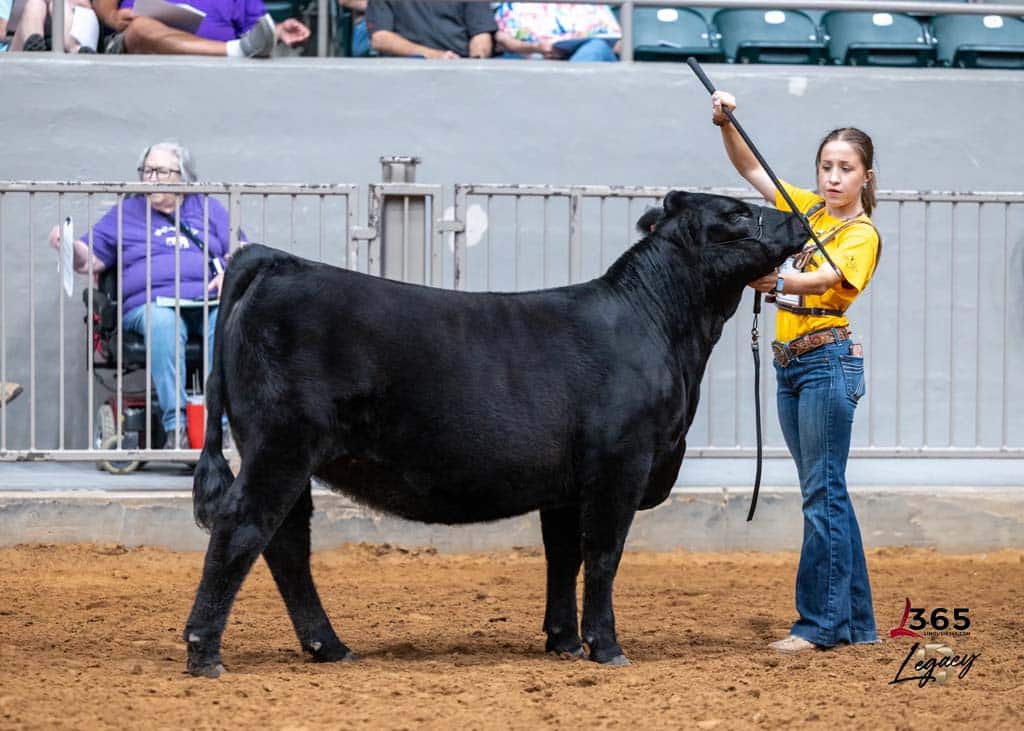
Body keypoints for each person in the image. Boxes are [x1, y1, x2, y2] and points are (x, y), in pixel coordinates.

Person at [711, 90, 880, 654]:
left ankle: (819, 626)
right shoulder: (807, 210)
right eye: (826, 167)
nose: (833, 178)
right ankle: (856, 623)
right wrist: (726, 123)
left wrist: (776, 281)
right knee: (828, 493)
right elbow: (751, 166)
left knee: (821, 495)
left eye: (845, 169)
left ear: (865, 176)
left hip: (826, 364)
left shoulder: (862, 234)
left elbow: (827, 279)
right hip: (794, 367)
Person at [48, 140, 240, 450]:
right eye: (147, 171)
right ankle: (176, 428)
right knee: (163, 321)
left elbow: (240, 252)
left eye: (161, 171)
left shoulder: (207, 207)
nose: (151, 178)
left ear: (184, 176)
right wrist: (67, 245)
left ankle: (220, 426)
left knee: (230, 319)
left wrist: (228, 274)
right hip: (151, 305)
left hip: (207, 300)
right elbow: (88, 258)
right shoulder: (127, 211)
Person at [93, 0, 309, 57]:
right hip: (137, 48)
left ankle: (234, 50)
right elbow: (102, 4)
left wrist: (279, 30)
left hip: (215, 65)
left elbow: (257, 32)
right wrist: (113, 17)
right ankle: (234, 51)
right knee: (140, 28)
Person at [493, 2, 621, 62]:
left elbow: (619, 44)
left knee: (596, 47)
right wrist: (534, 48)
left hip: (587, 60)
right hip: (534, 59)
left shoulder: (593, 4)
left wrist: (582, 42)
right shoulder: (514, 5)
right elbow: (501, 40)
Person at [365, 0, 495, 59]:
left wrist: (474, 65)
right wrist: (434, 56)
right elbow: (380, 38)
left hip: (459, 68)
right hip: (406, 69)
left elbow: (481, 34)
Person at [6, 0, 99, 52]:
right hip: (24, 38)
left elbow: (83, 3)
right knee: (34, 3)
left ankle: (74, 48)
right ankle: (34, 46)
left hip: (73, 25)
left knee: (58, 4)